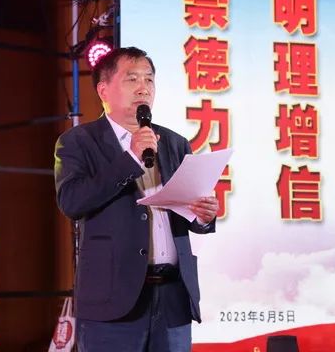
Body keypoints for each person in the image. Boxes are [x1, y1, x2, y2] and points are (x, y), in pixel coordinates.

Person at [54, 47, 219, 352]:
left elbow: (188, 210)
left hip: (172, 298)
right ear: (103, 90)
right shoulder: (78, 141)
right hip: (113, 301)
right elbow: (72, 201)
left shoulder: (175, 143)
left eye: (149, 79)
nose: (144, 88)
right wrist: (130, 158)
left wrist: (203, 215)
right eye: (132, 79)